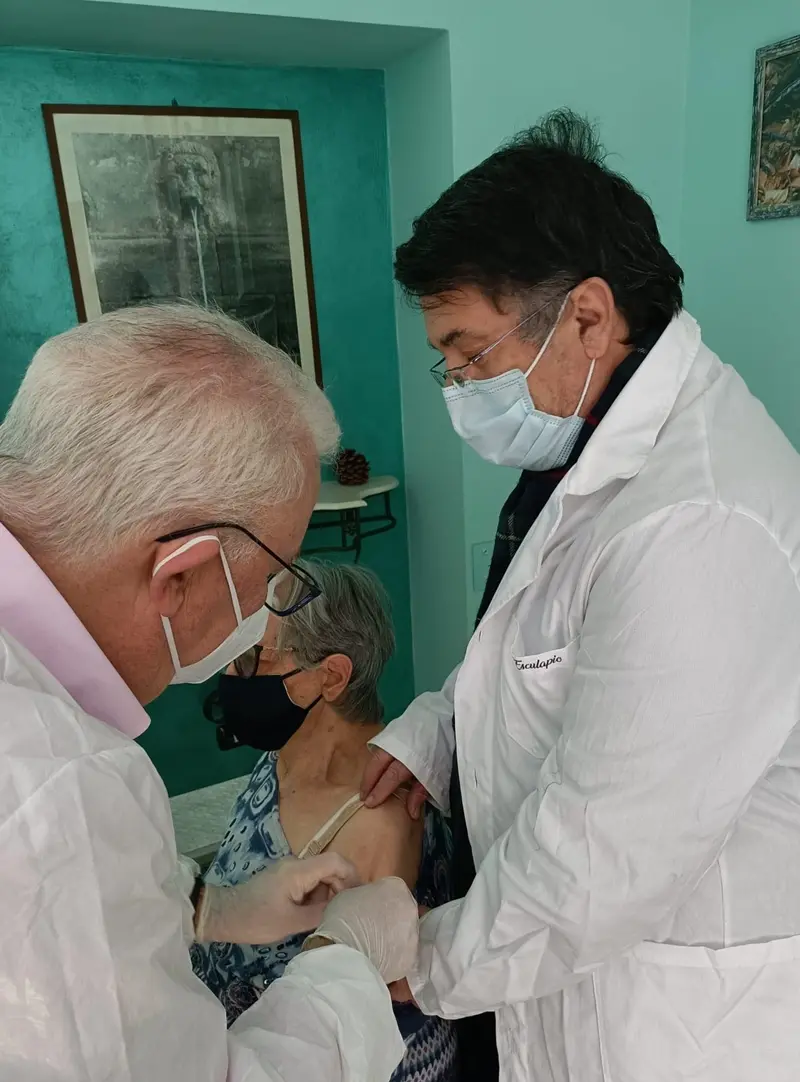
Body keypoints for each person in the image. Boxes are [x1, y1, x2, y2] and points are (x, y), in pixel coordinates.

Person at [362, 109, 800, 1082]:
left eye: (470, 354)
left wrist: (420, 962)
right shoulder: (588, 450)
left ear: (589, 318)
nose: (457, 387)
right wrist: (437, 733)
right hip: (580, 968)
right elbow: (540, 647)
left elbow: (603, 857)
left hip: (673, 1014)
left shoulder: (698, 521)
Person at [0, 304, 418, 1082]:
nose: (260, 621)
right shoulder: (58, 792)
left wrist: (201, 910)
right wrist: (350, 960)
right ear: (181, 575)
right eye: (269, 583)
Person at [194, 559, 457, 1081]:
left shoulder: (378, 814)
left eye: (249, 657)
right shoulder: (280, 758)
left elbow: (360, 1025)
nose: (229, 673)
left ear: (331, 677)